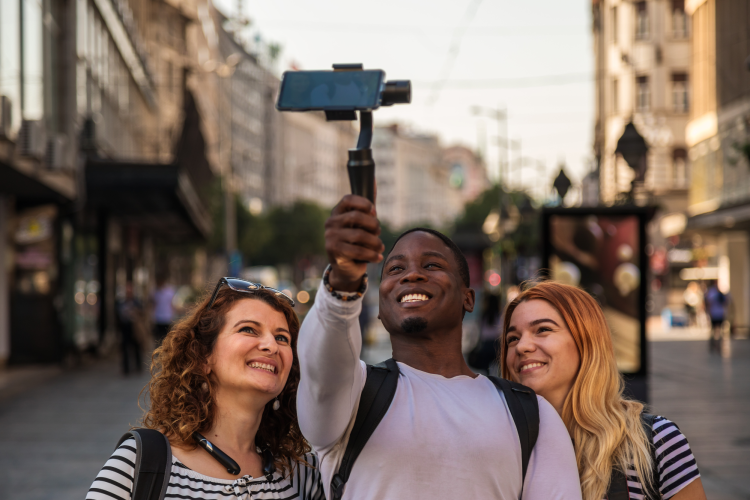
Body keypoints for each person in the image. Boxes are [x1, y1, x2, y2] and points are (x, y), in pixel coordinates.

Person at [297, 194, 582, 499]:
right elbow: (323, 364)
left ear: (467, 298)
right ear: (380, 306)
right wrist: (342, 280)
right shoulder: (351, 395)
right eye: (395, 270)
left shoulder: (532, 415)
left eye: (432, 264)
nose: (412, 275)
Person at [87, 279, 324, 500]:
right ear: (203, 357)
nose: (271, 346)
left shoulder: (304, 477)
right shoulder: (141, 464)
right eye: (249, 330)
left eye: (282, 338)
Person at [501, 281, 706, 500]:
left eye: (543, 330)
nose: (522, 346)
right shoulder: (499, 446)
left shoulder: (658, 442)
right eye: (513, 338)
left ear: (586, 342)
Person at [115, 282, 142, 375]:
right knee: (125, 347)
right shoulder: (121, 303)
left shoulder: (137, 302)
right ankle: (126, 368)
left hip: (135, 328)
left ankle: (138, 366)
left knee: (136, 347)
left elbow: (142, 313)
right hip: (125, 327)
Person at [152, 275, 176, 345]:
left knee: (166, 338)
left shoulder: (170, 291)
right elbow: (153, 305)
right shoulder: (155, 292)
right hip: (158, 318)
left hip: (167, 318)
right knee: (158, 338)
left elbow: (172, 304)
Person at [704, 280, 727, 352]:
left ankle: (717, 346)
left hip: (718, 313)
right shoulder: (713, 292)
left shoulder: (718, 293)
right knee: (715, 331)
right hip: (716, 313)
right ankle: (714, 346)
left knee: (717, 331)